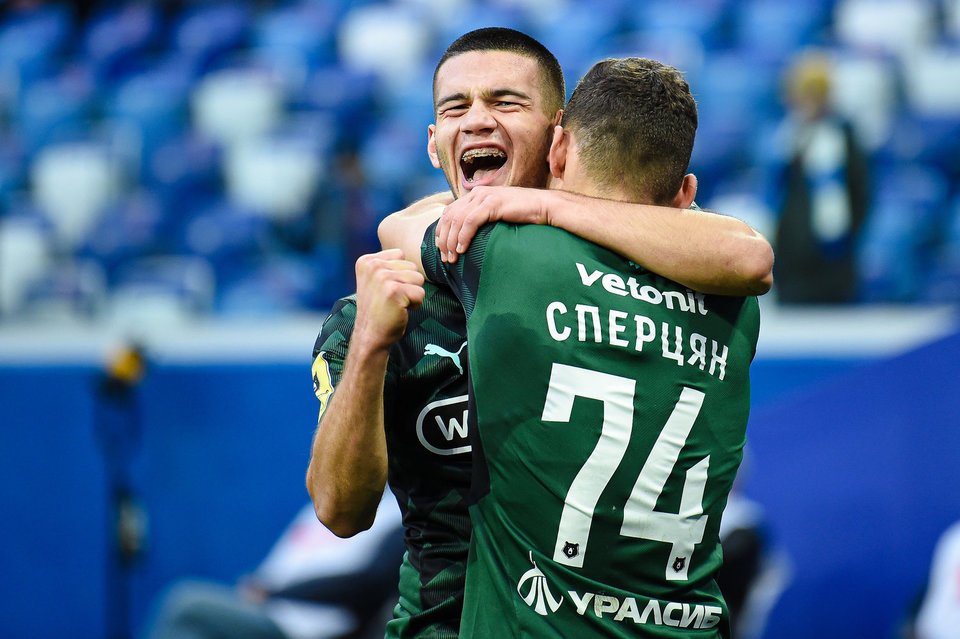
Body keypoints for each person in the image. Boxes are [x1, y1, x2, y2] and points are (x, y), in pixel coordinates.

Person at [307, 28, 773, 639]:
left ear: (558, 139)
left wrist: (542, 207)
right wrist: (370, 345)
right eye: (456, 108)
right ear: (433, 144)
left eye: (506, 102)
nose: (478, 120)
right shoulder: (381, 305)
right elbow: (339, 512)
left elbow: (747, 253)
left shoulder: (647, 261)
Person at [141, 495, 404, 639]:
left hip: (302, 627)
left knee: (186, 604)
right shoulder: (326, 505)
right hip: (267, 611)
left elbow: (366, 585)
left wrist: (273, 593)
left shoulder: (396, 518)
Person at [772, 51, 870, 304]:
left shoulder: (844, 137)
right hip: (793, 266)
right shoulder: (789, 139)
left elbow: (860, 197)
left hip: (833, 264)